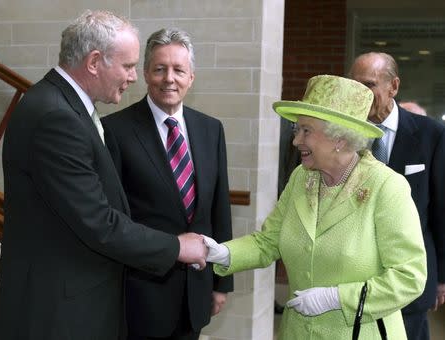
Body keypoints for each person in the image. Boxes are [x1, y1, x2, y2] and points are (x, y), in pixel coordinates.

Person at [0, 11, 207, 340]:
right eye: (128, 66)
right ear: (95, 61)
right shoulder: (56, 116)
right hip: (58, 313)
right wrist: (176, 247)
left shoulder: (65, 106)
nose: (135, 77)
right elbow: (98, 222)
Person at [204, 75, 427, 339]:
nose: (296, 140)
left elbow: (410, 276)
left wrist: (336, 298)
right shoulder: (301, 177)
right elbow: (268, 241)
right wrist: (223, 253)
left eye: (305, 131)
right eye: (296, 129)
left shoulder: (386, 186)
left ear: (339, 139)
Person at [101, 27, 233, 340]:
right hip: (140, 295)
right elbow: (113, 218)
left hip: (196, 293)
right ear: (145, 73)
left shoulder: (211, 130)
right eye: (160, 69)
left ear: (192, 77)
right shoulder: (115, 131)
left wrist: (221, 282)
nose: (169, 78)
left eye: (178, 70)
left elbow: (219, 209)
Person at [349, 52, 445, 340]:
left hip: (409, 280)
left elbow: (441, 210)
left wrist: (442, 277)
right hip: (355, 278)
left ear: (394, 86)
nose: (360, 94)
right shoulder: (342, 133)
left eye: (369, 85)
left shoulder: (431, 134)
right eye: (354, 85)